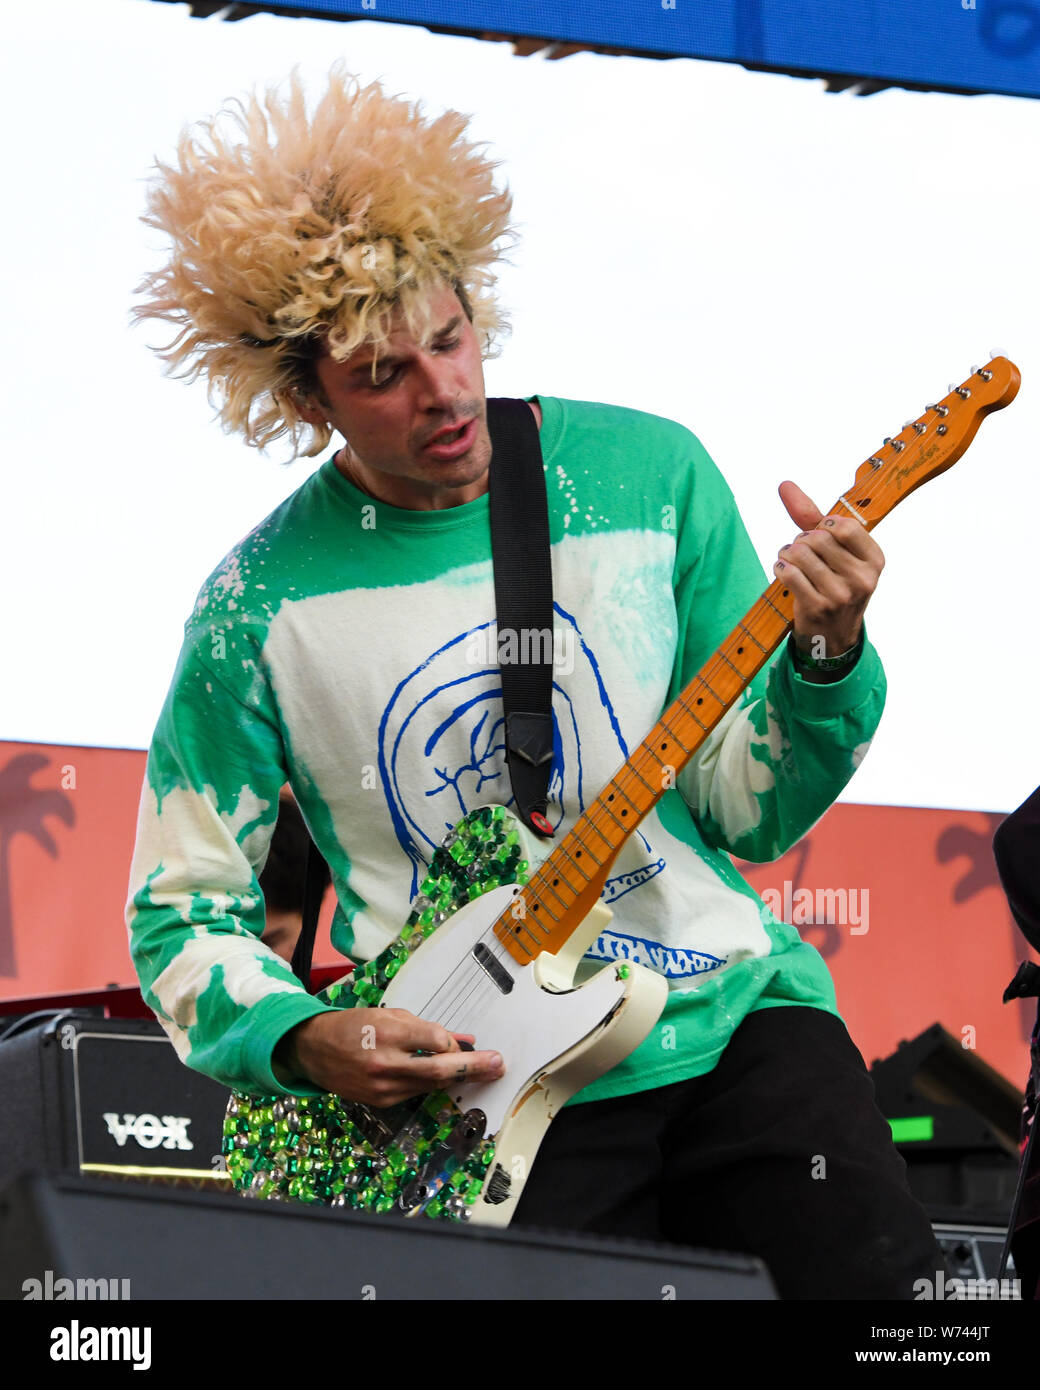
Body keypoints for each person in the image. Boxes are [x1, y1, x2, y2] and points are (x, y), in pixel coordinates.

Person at [125, 64, 941, 1298]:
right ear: (305, 397)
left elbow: (746, 812)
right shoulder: (256, 608)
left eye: (449, 338)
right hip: (485, 1091)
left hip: (733, 1022)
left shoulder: (647, 475)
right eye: (381, 374)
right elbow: (182, 910)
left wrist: (825, 654)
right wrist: (301, 1033)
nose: (444, 393)